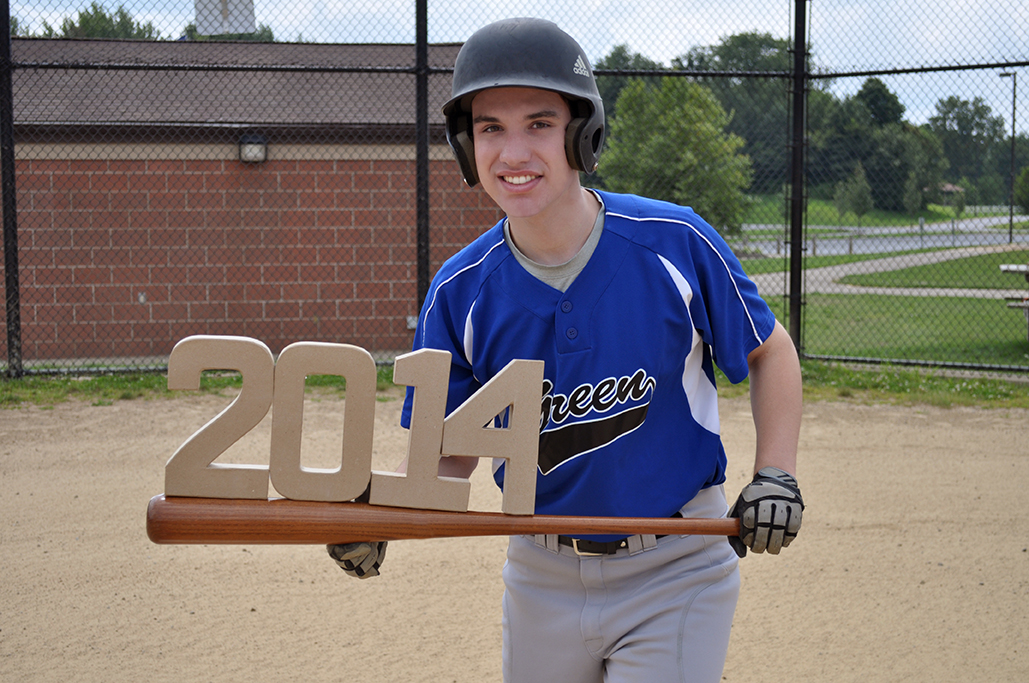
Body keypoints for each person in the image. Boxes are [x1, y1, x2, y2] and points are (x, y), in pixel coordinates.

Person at [329, 17, 804, 683]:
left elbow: (769, 351)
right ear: (467, 147)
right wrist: (391, 514)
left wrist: (775, 473)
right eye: (490, 127)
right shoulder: (460, 290)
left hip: (676, 562)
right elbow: (454, 449)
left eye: (539, 123)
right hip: (539, 571)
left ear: (583, 134)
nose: (512, 151)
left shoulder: (671, 242)